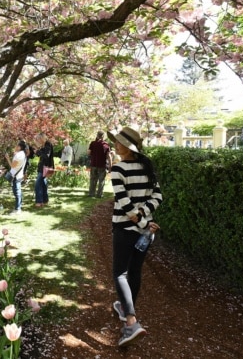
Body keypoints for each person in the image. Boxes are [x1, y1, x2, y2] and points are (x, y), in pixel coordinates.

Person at [107, 127, 162, 347]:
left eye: (119, 143)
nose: (116, 146)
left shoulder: (118, 169)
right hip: (146, 233)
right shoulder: (147, 166)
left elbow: (125, 204)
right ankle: (124, 307)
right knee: (135, 271)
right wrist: (146, 219)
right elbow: (158, 196)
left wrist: (140, 220)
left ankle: (131, 322)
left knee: (120, 272)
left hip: (125, 229)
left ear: (128, 147)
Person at [4, 141, 27, 213]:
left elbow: (12, 166)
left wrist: (7, 158)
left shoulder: (18, 155)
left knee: (17, 192)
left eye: (16, 146)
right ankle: (19, 206)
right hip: (19, 175)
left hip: (16, 176)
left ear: (20, 147)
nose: (15, 147)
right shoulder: (23, 154)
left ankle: (18, 209)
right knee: (18, 191)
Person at [87, 131, 111, 198]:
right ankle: (99, 194)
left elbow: (88, 153)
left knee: (92, 179)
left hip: (94, 164)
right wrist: (110, 166)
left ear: (97, 136)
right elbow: (108, 156)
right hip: (102, 165)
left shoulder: (93, 143)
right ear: (103, 136)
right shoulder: (106, 145)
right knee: (101, 180)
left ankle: (91, 194)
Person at [33, 133, 54, 208]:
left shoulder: (48, 144)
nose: (38, 140)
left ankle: (39, 201)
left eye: (38, 139)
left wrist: (38, 152)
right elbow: (40, 154)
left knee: (38, 184)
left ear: (42, 138)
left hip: (45, 168)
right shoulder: (45, 145)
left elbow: (46, 156)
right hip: (43, 167)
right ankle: (45, 200)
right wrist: (37, 151)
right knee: (43, 184)